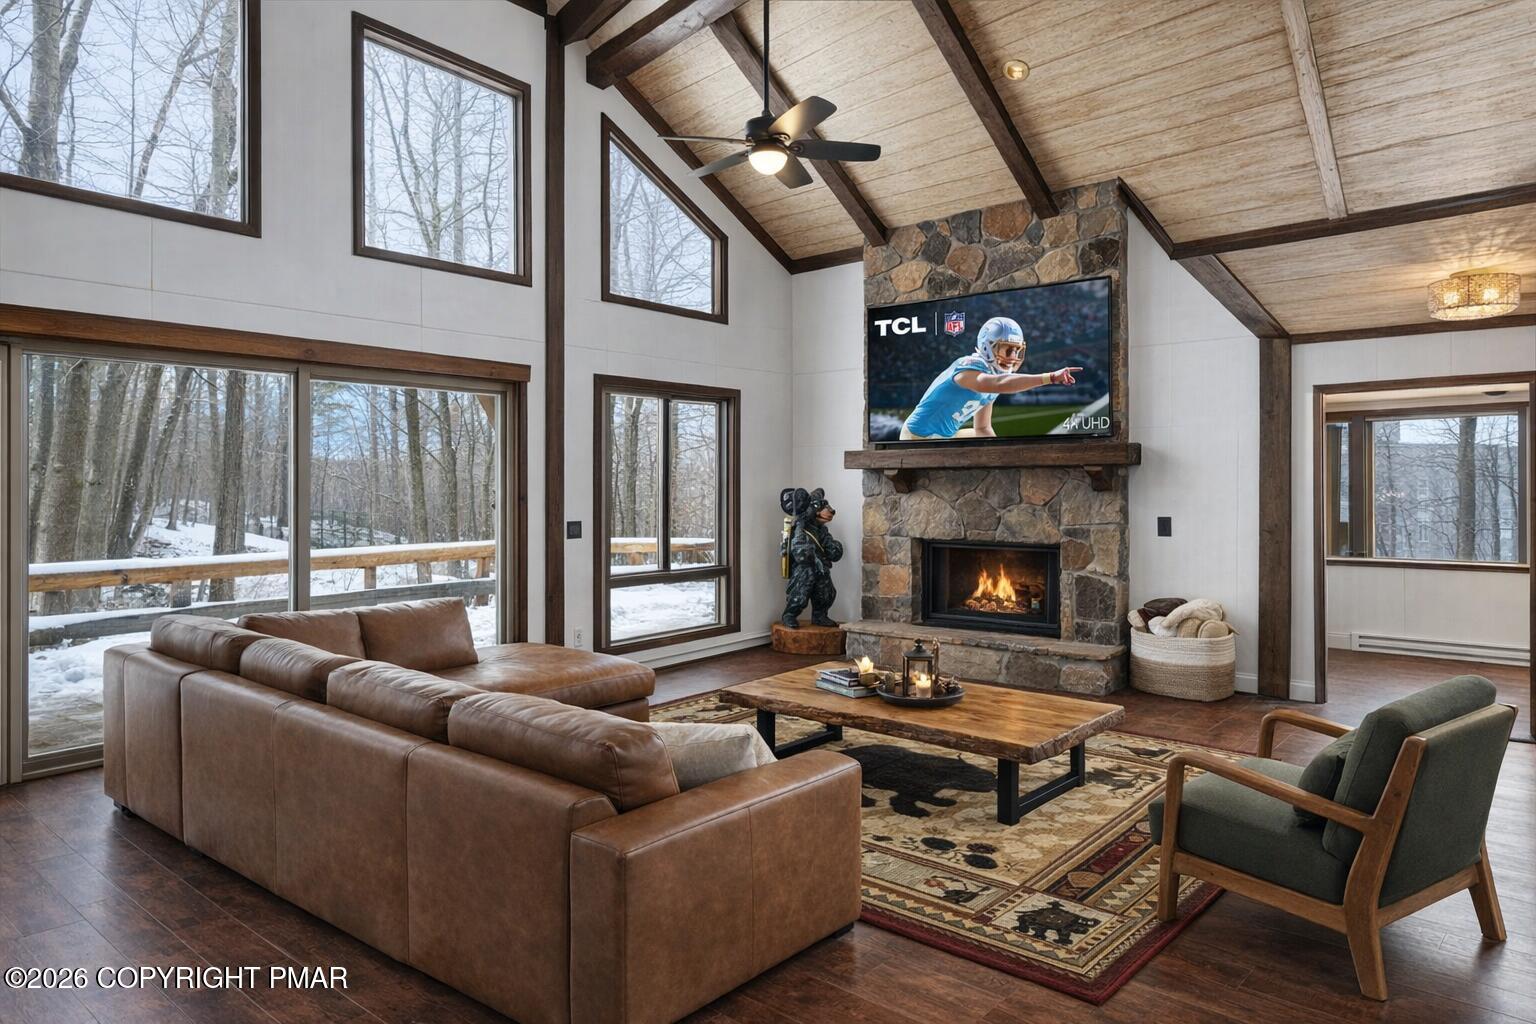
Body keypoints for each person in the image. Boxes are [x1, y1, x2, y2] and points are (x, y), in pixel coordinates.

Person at [900, 316, 1082, 440]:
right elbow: (997, 384)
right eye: (1008, 349)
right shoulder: (970, 366)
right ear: (988, 347)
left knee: (999, 445)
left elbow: (982, 428)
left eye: (1017, 350)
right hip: (918, 436)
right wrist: (1049, 377)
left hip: (942, 436)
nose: (1013, 356)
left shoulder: (992, 377)